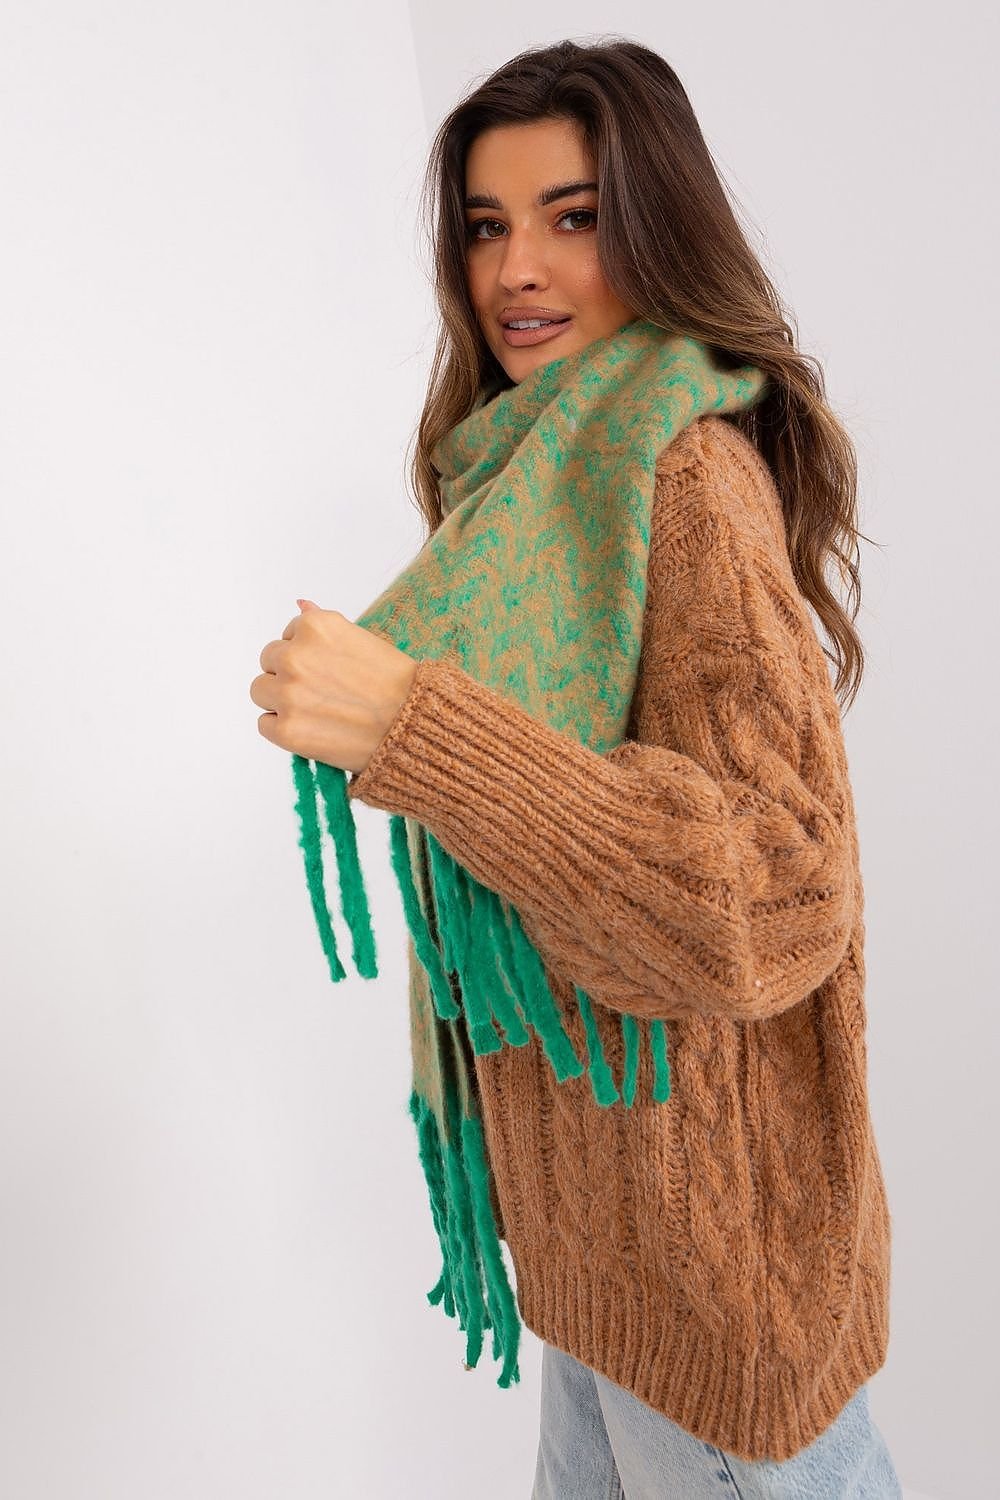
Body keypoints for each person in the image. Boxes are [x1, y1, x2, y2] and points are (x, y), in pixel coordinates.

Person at [252, 36, 903, 1500]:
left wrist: (418, 731)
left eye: (574, 216)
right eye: (488, 226)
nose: (519, 271)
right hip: (608, 1276)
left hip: (721, 1305)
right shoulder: (525, 476)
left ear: (658, 229)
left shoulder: (684, 475)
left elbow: (783, 891)